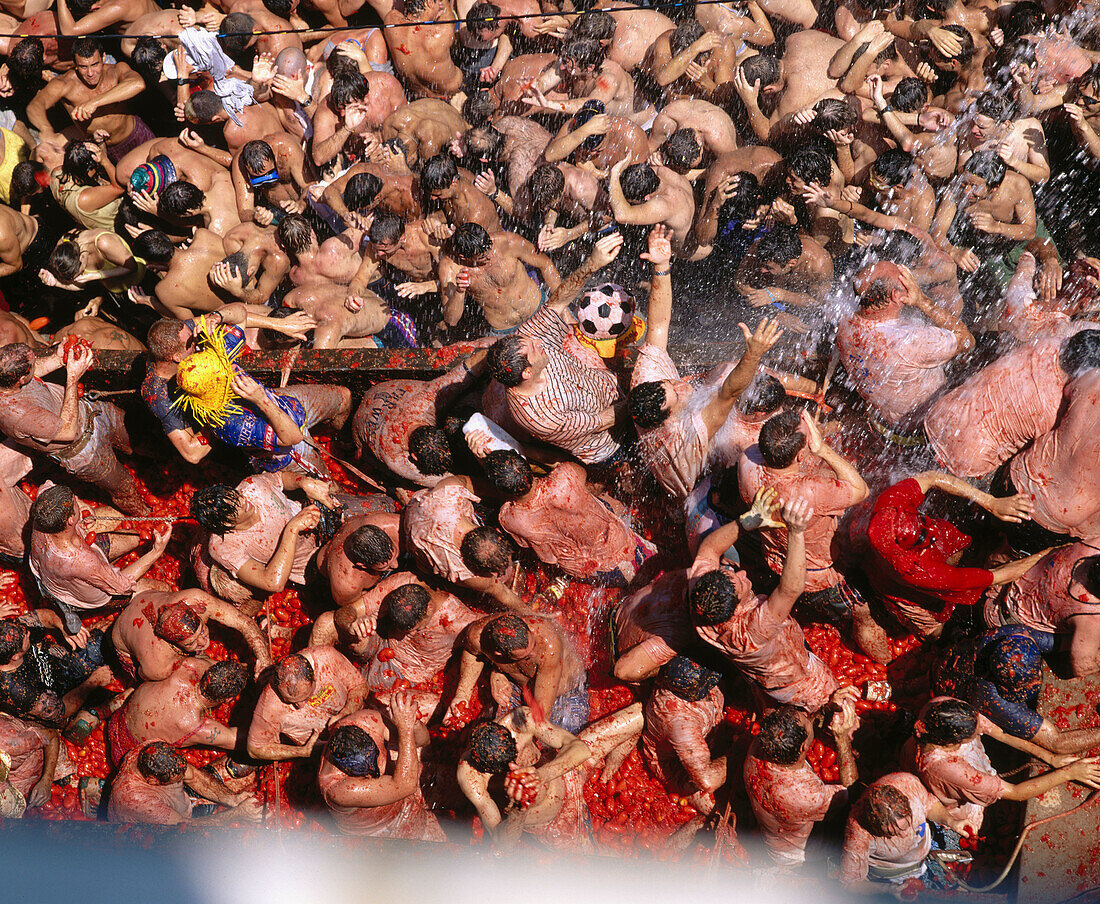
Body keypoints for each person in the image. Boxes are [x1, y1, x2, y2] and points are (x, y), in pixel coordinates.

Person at [628, 224, 783, 498]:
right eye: (675, 394)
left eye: (669, 383)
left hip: (666, 468)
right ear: (668, 419)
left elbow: (659, 324)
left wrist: (662, 265)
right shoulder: (688, 433)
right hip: (694, 487)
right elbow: (730, 392)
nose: (679, 385)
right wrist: (754, 353)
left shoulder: (645, 378)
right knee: (745, 441)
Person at [738, 408, 887, 660]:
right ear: (799, 455)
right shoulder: (807, 491)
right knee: (862, 611)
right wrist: (821, 450)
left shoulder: (747, 460)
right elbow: (861, 490)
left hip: (773, 559)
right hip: (818, 577)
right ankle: (886, 662)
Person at [691, 498, 840, 712]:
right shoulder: (750, 632)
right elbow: (790, 589)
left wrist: (745, 523)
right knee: (828, 698)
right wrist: (796, 532)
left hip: (762, 670)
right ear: (735, 611)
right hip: (794, 680)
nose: (742, 573)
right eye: (742, 583)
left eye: (735, 576)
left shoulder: (702, 592)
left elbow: (710, 548)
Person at [865, 472, 1044, 638]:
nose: (932, 528)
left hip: (914, 556)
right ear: (909, 551)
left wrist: (990, 502)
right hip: (910, 578)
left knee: (951, 537)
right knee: (936, 628)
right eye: (922, 536)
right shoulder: (922, 572)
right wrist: (1045, 555)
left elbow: (931, 477)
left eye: (921, 520)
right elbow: (998, 576)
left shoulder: (889, 504)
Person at [907, 697, 1100, 833]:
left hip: (962, 768)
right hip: (957, 803)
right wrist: (1070, 773)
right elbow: (1015, 792)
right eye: (973, 735)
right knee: (984, 824)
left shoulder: (946, 710)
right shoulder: (947, 768)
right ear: (952, 744)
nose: (979, 731)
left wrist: (1051, 758)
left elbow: (1001, 734)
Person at [0, 342, 148, 514]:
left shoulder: (6, 379)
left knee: (136, 438)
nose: (35, 365)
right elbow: (68, 432)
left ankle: (153, 461)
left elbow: (33, 371)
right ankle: (144, 514)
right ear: (21, 379)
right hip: (83, 450)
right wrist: (73, 378)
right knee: (123, 485)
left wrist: (57, 357)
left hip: (90, 412)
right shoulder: (18, 414)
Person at [837, 261, 973, 440]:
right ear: (896, 296)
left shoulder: (845, 324)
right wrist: (922, 301)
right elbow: (967, 341)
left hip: (881, 422)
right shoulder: (910, 341)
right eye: (903, 277)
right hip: (922, 428)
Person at [478, 449, 656, 586]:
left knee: (636, 582)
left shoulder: (510, 518)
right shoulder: (564, 477)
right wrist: (523, 448)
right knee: (658, 567)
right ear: (527, 466)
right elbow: (578, 469)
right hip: (616, 539)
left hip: (585, 570)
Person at [28, 483, 170, 634]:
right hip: (91, 593)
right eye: (75, 501)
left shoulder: (43, 512)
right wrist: (156, 551)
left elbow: (46, 484)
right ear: (70, 520)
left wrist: (80, 510)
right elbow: (122, 586)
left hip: (45, 572)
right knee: (164, 589)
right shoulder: (81, 560)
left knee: (134, 537)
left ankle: (67, 596)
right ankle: (68, 608)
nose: (77, 499)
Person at [743, 689, 859, 866]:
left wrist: (826, 709)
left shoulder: (762, 744)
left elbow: (800, 727)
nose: (808, 717)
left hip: (776, 832)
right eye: (807, 722)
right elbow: (852, 792)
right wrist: (842, 739)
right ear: (804, 747)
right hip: (796, 854)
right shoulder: (805, 794)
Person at [318, 693, 447, 840]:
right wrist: (405, 729)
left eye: (375, 759)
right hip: (382, 828)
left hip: (400, 782)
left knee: (452, 787)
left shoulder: (367, 722)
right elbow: (406, 785)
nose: (375, 773)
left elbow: (424, 741)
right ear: (344, 769)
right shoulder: (338, 789)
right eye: (364, 774)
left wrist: (411, 722)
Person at [190, 473, 324, 609]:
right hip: (309, 567)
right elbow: (273, 582)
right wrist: (292, 528)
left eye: (235, 495)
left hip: (317, 519)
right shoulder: (224, 547)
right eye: (234, 508)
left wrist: (302, 481)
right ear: (227, 523)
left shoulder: (252, 486)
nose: (243, 502)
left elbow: (280, 478)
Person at [446, 613, 588, 732]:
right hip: (518, 686)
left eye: (533, 646)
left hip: (566, 696)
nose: (534, 655)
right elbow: (472, 652)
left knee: (556, 749)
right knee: (486, 733)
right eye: (526, 656)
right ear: (499, 653)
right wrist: (462, 695)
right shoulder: (478, 636)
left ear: (525, 624)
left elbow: (541, 713)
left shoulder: (548, 645)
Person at [839, 772, 976, 894]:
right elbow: (850, 883)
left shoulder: (907, 783)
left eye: (906, 825)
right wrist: (889, 890)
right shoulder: (857, 834)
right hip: (898, 873)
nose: (905, 835)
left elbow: (928, 803)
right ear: (874, 829)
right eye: (892, 833)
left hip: (927, 848)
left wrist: (952, 822)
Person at [110, 588, 272, 683]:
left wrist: (264, 659)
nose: (203, 641)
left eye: (202, 630)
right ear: (172, 644)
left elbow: (243, 622)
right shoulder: (158, 665)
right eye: (191, 643)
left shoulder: (196, 599)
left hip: (145, 597)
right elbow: (142, 676)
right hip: (125, 642)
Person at [106, 659, 248, 767]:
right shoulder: (195, 727)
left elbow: (215, 668)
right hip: (125, 758)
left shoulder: (186, 666)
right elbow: (239, 740)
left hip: (115, 722)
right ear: (229, 699)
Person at [641, 655, 728, 815]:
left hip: (707, 735)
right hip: (675, 766)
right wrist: (737, 753)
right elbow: (707, 782)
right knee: (721, 811)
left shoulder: (679, 668)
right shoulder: (681, 725)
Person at [246, 647, 367, 761]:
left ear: (315, 677)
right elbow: (254, 749)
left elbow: (359, 686)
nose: (301, 706)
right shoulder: (269, 704)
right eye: (289, 701)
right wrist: (301, 752)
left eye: (306, 697)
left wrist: (347, 712)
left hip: (359, 718)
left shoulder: (326, 659)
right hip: (324, 752)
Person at [107, 741, 261, 825]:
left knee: (245, 770)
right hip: (171, 830)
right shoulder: (136, 800)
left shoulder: (154, 747)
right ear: (153, 781)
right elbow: (184, 829)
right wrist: (239, 813)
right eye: (177, 778)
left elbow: (193, 775)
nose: (183, 776)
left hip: (183, 801)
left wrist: (232, 799)